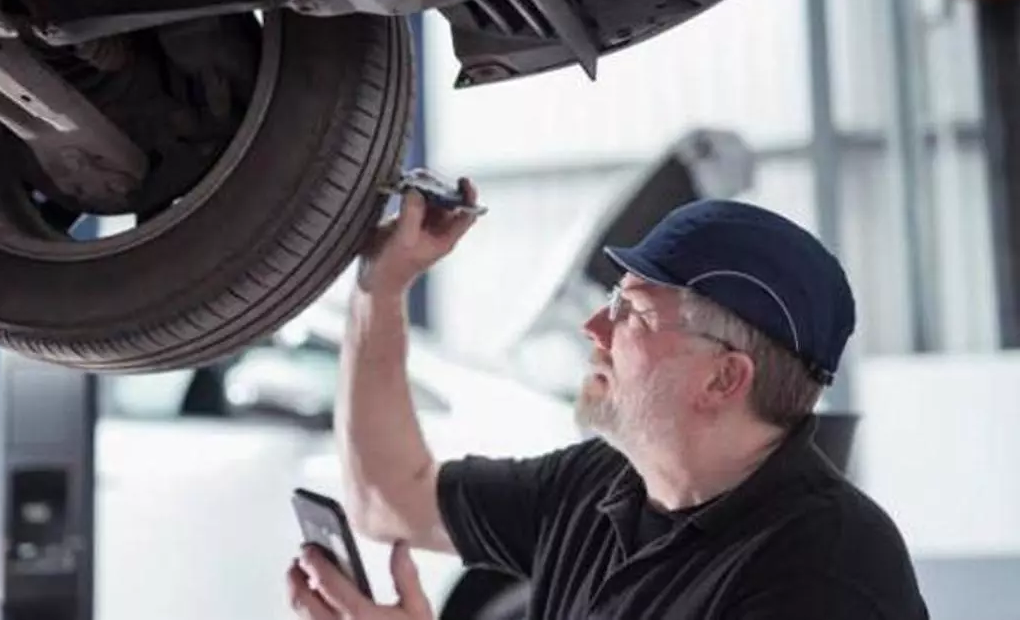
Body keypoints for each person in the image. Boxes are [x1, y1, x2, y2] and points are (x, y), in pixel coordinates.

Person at [287, 182, 930, 619]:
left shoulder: (825, 572)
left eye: (634, 312)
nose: (593, 329)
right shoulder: (599, 487)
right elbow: (390, 498)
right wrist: (381, 287)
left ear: (723, 379)